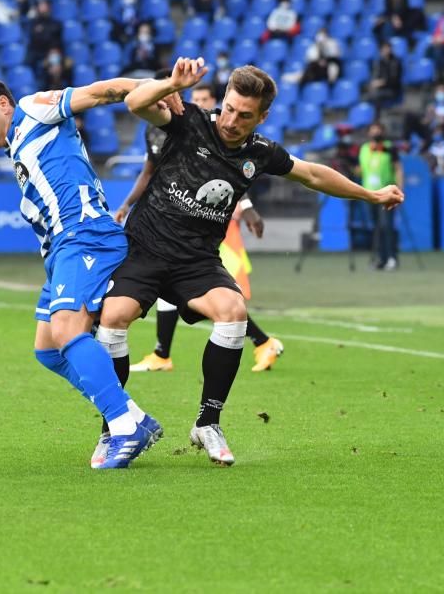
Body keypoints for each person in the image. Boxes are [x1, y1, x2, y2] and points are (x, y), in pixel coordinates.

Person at [101, 58, 404, 466]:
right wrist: (172, 82)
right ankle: (115, 426)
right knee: (113, 317)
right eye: (228, 108)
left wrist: (371, 195)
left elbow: (313, 174)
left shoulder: (260, 152)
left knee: (233, 311)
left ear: (262, 117)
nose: (231, 121)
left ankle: (208, 422)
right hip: (146, 249)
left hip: (196, 260)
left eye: (245, 116)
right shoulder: (188, 121)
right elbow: (136, 104)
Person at [0, 72, 163, 469]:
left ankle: (121, 426)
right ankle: (133, 416)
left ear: (2, 104)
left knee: (67, 329)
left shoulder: (32, 109)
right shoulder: (18, 146)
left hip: (86, 235)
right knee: (47, 349)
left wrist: (157, 86)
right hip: (62, 249)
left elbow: (101, 93)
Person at [113, 79, 284, 374]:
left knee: (213, 294)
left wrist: (247, 208)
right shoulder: (160, 127)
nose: (202, 103)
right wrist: (128, 204)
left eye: (207, 98)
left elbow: (230, 174)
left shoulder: (212, 128)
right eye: (197, 97)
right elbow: (150, 171)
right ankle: (164, 352)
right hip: (169, 226)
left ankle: (258, 340)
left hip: (210, 227)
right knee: (182, 288)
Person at [358, 123, 404, 270]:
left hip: (387, 192)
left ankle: (392, 258)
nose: (375, 134)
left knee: (387, 226)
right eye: (373, 131)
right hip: (369, 193)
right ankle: (381, 259)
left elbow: (398, 169)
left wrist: (400, 189)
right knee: (376, 227)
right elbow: (361, 170)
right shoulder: (364, 149)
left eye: (378, 131)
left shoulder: (390, 148)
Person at [368, 40, 403, 112]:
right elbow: (377, 76)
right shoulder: (381, 62)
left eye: (387, 48)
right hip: (382, 89)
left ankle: (377, 117)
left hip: (393, 89)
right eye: (383, 48)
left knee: (375, 95)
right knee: (367, 95)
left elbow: (394, 80)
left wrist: (381, 83)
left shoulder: (395, 62)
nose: (385, 50)